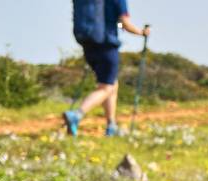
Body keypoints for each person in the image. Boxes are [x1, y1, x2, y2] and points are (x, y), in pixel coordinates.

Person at [63, 0, 150, 137]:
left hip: (88, 45)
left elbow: (119, 23)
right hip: (107, 46)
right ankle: (77, 115)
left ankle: (111, 126)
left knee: (112, 84)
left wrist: (118, 24)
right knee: (106, 87)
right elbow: (125, 23)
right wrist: (141, 32)